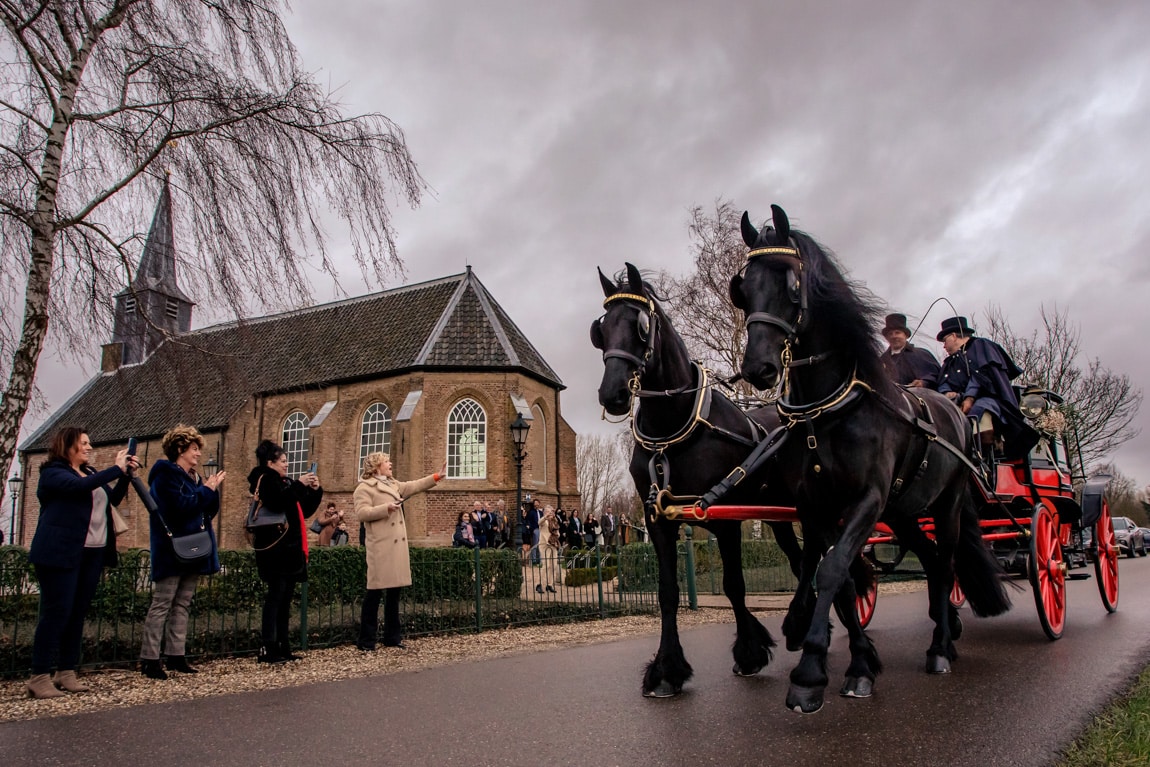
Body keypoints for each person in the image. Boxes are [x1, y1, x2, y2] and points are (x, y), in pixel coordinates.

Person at [26, 427, 135, 698]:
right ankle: (39, 675)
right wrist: (114, 469)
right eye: (83, 443)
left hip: (91, 553)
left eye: (89, 443)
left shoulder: (89, 474)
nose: (89, 447)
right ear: (68, 446)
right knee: (56, 612)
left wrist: (125, 476)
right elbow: (77, 489)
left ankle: (66, 671)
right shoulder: (53, 474)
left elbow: (110, 500)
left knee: (76, 613)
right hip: (60, 552)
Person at [139, 425, 225, 680]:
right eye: (194, 448)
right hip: (172, 549)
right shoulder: (165, 475)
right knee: (163, 602)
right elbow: (177, 507)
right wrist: (206, 490)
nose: (198, 454)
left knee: (183, 603)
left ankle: (176, 655)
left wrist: (210, 490)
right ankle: (150, 658)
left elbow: (206, 510)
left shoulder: (194, 478)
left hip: (194, 547)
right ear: (180, 449)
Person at [354, 452, 443, 651]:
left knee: (394, 594)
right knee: (374, 594)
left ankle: (392, 637)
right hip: (380, 547)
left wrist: (436, 477)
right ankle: (366, 640)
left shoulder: (392, 484)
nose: (390, 463)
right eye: (386, 461)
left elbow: (413, 486)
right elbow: (361, 513)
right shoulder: (364, 488)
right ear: (376, 467)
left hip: (395, 547)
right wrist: (385, 508)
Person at [247, 440, 322, 664]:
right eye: (282, 461)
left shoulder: (284, 482)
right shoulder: (267, 480)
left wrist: (314, 491)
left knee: (285, 599)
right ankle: (268, 647)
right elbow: (279, 502)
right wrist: (298, 484)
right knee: (275, 598)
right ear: (270, 463)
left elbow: (303, 509)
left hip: (288, 550)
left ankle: (283, 646)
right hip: (275, 550)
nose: (286, 465)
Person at [936, 316, 1039, 463]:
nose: (944, 346)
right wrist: (947, 393)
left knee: (980, 412)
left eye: (944, 340)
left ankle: (980, 457)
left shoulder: (981, 346)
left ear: (953, 336)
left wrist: (970, 397)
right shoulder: (949, 362)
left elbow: (982, 375)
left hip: (990, 400)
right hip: (957, 402)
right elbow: (943, 382)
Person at [879, 313, 940, 389]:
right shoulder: (881, 361)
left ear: (906, 335)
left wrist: (923, 382)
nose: (894, 336)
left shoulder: (921, 354)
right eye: (890, 334)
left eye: (897, 332)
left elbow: (935, 375)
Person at [537, 505, 560, 594]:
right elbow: (539, 522)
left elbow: (557, 531)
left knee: (553, 565)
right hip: (545, 545)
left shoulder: (554, 522)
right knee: (546, 565)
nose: (550, 513)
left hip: (553, 544)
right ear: (545, 512)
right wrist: (545, 517)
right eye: (548, 512)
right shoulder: (544, 521)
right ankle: (540, 584)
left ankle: (550, 584)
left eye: (551, 512)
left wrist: (557, 536)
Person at [526, 498, 542, 565]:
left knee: (540, 545)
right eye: (535, 504)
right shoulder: (531, 512)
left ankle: (539, 559)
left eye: (537, 504)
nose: (536, 505)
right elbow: (529, 521)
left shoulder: (541, 512)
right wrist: (532, 529)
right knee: (535, 545)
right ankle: (534, 559)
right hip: (535, 529)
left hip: (541, 530)